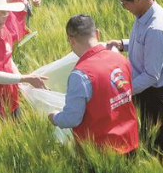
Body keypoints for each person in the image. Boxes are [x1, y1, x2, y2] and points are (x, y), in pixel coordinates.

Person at [106, 0, 163, 160]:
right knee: (141, 140)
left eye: (124, 3)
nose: (124, 7)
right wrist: (122, 44)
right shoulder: (143, 13)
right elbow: (142, 43)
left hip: (154, 97)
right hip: (141, 89)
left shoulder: (156, 29)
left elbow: (152, 75)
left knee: (157, 151)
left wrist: (124, 92)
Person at [48, 15, 138, 155]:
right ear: (97, 33)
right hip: (130, 142)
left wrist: (54, 117)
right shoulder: (121, 59)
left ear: (71, 40)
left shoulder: (80, 74)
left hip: (99, 151)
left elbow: (72, 119)